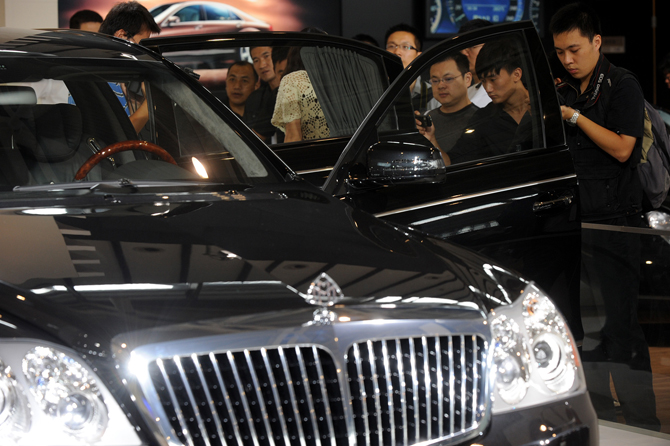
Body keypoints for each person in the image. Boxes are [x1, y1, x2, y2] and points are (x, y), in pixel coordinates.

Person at [551, 2, 660, 431]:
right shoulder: (561, 88)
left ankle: (642, 423)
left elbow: (622, 148)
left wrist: (575, 117)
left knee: (621, 329)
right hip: (576, 223)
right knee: (584, 331)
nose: (567, 60)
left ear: (596, 42)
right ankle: (599, 420)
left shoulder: (622, 84)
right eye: (559, 52)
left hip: (616, 223)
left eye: (574, 49)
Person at [447, 38, 531, 165]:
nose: (488, 88)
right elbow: (454, 161)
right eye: (483, 81)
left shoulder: (547, 104)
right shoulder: (484, 118)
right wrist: (430, 138)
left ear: (516, 74)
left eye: (493, 79)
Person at [98, 1, 161, 133]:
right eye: (142, 44)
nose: (145, 52)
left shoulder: (128, 78)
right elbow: (114, 137)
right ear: (122, 36)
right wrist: (150, 103)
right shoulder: (93, 78)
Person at [416, 53, 477, 155]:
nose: (440, 85)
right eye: (435, 81)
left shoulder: (481, 119)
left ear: (467, 79)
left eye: (448, 79)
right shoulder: (426, 121)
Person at [271, 39, 330, 142]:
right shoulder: (343, 79)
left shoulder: (292, 80)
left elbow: (294, 137)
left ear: (293, 56)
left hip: (313, 155)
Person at [385, 23, 439, 113]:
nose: (397, 52)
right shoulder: (374, 91)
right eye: (391, 46)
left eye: (405, 47)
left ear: (418, 56)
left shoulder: (433, 94)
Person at [244, 46, 282, 142]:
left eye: (266, 56)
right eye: (256, 60)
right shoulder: (254, 99)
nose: (262, 65)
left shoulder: (295, 90)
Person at [457, 19, 493, 107]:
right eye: (462, 47)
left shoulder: (499, 92)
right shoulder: (466, 93)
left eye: (472, 46)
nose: (464, 53)